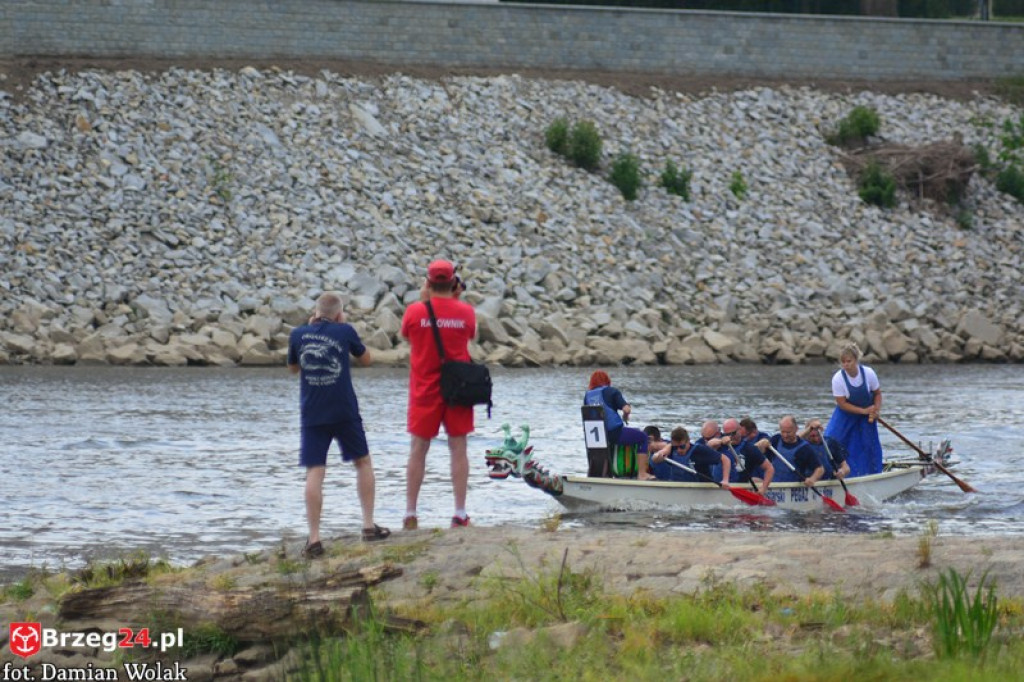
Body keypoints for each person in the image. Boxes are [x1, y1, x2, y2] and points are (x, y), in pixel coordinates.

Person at [287, 291, 389, 558]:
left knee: (315, 471)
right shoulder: (345, 331)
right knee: (363, 462)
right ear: (339, 314)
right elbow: (366, 360)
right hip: (344, 409)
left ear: (316, 313)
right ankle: (368, 525)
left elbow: (294, 368)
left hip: (313, 413)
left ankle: (314, 539)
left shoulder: (298, 334)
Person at [401, 259, 478, 530]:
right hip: (457, 388)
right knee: (458, 449)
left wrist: (425, 302)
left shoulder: (414, 312)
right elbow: (471, 335)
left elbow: (408, 337)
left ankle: (410, 512)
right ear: (453, 282)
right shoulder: (466, 312)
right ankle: (459, 511)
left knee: (418, 449)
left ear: (428, 282)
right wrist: (455, 303)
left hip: (424, 389)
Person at [824, 343, 883, 477]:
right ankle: (830, 473)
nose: (846, 364)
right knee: (831, 441)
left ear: (856, 360)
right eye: (843, 362)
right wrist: (863, 411)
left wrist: (876, 410)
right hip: (845, 415)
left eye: (849, 361)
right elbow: (842, 404)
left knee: (867, 446)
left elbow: (877, 394)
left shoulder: (868, 373)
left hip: (866, 417)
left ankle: (871, 474)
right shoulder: (838, 379)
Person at [582, 370, 632, 477]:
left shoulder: (587, 396)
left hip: (595, 439)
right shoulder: (612, 391)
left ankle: (603, 474)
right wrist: (625, 417)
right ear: (607, 380)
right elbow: (626, 410)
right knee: (642, 438)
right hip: (613, 434)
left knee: (608, 448)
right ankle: (639, 474)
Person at [649, 426, 730, 485]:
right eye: (675, 447)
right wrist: (659, 455)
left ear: (688, 441)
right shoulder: (670, 449)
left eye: (682, 447)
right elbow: (654, 459)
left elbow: (725, 459)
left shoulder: (699, 450)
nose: (678, 450)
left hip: (702, 489)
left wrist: (725, 480)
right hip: (679, 488)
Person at [721, 417, 775, 493]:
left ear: (739, 430)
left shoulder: (749, 448)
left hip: (739, 488)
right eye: (727, 434)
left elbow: (770, 468)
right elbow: (709, 444)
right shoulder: (719, 444)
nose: (730, 437)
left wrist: (763, 488)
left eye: (733, 433)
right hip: (720, 486)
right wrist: (720, 441)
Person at [769, 415, 825, 486]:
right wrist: (762, 443)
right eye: (783, 432)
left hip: (794, 487)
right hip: (773, 485)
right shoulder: (775, 440)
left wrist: (812, 479)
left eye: (788, 432)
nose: (785, 435)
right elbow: (756, 453)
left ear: (796, 429)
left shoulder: (804, 448)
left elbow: (820, 469)